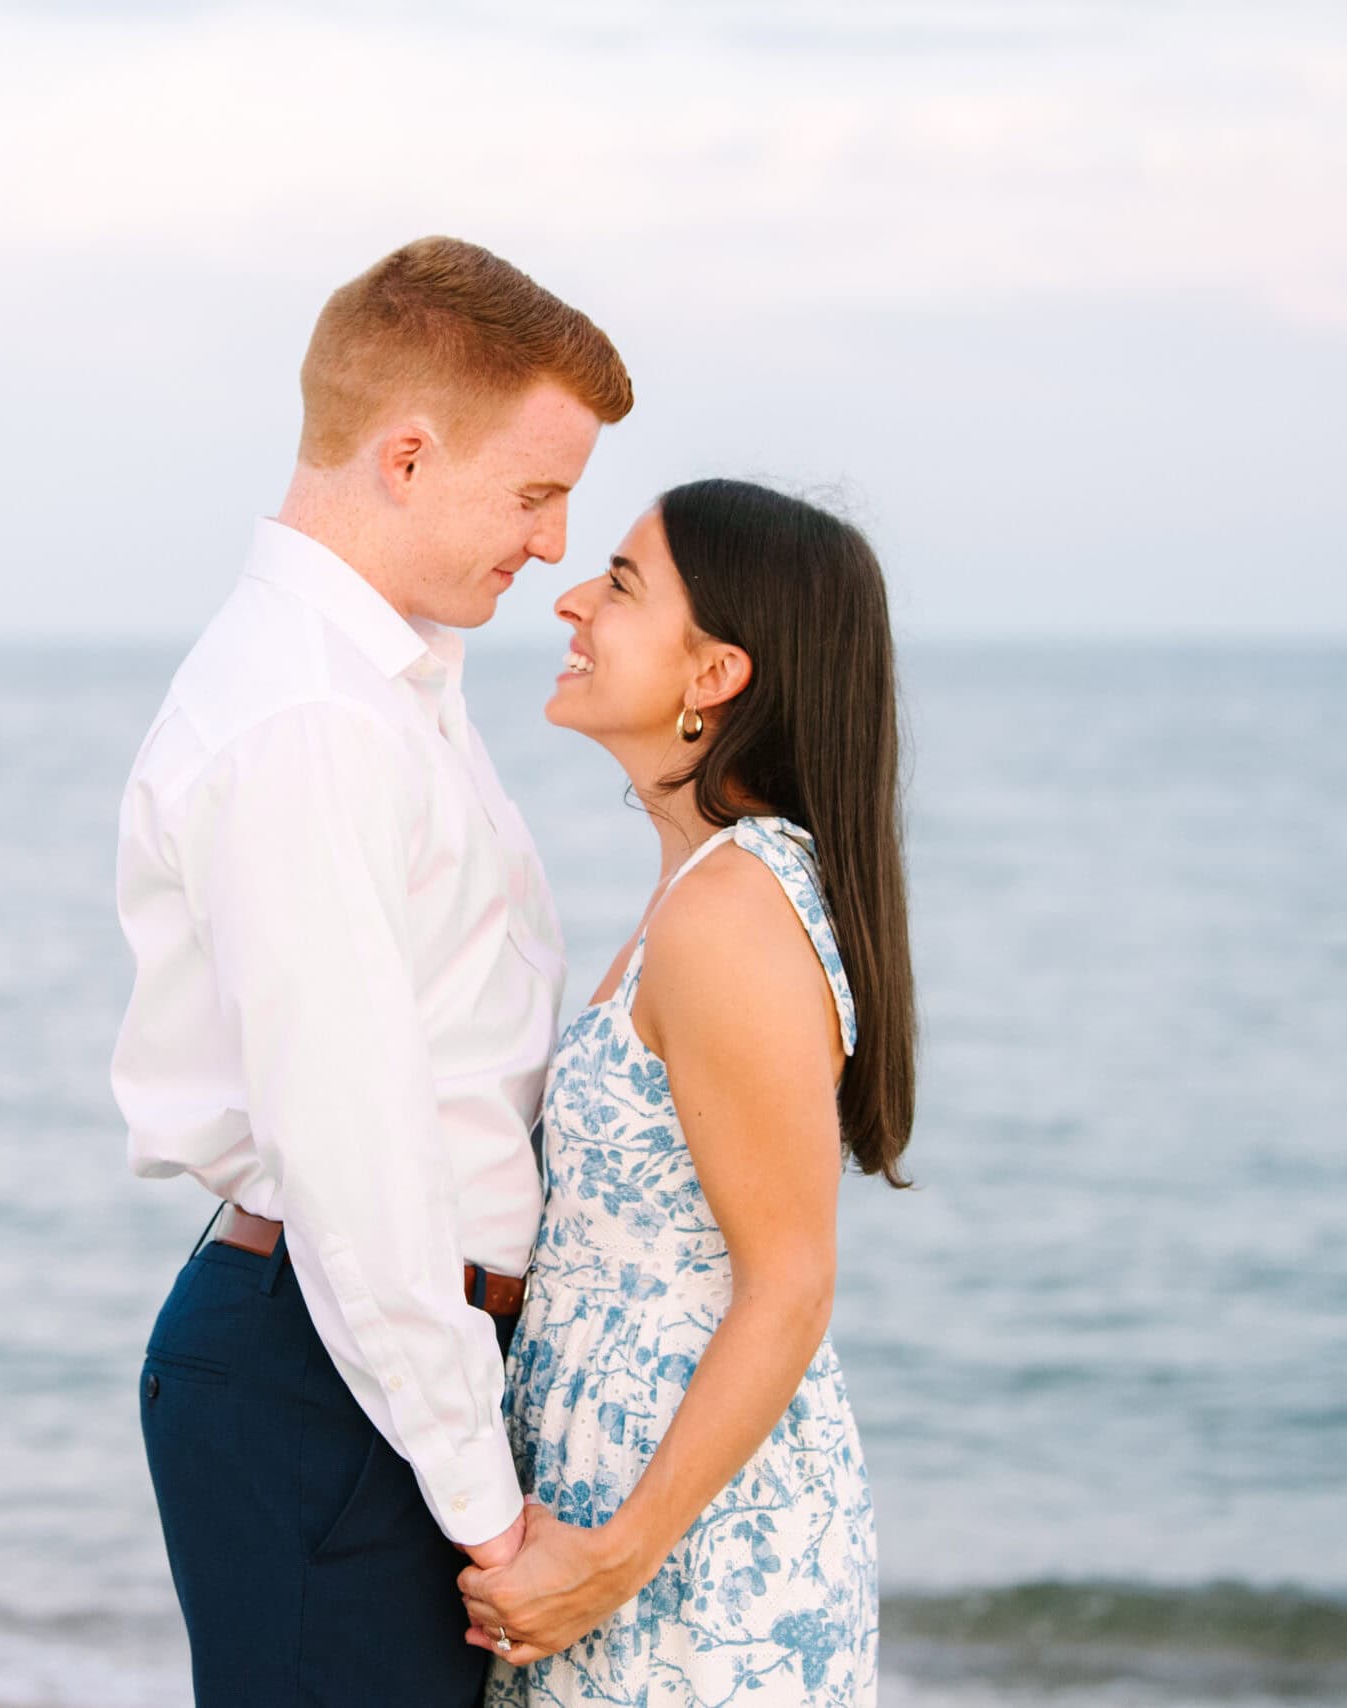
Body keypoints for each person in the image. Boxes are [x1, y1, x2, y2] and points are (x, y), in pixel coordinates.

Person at [108, 236, 631, 1705]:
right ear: (406, 456)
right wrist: (486, 1509)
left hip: (365, 1368)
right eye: (536, 492)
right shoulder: (310, 725)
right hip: (330, 1379)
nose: (552, 545)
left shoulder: (376, 691)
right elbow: (358, 1151)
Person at [459, 480, 917, 1706]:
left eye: (618, 583)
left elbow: (791, 1282)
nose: (569, 598)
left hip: (687, 1561)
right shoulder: (701, 893)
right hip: (634, 1519)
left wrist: (614, 1560)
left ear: (713, 673)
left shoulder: (727, 914)